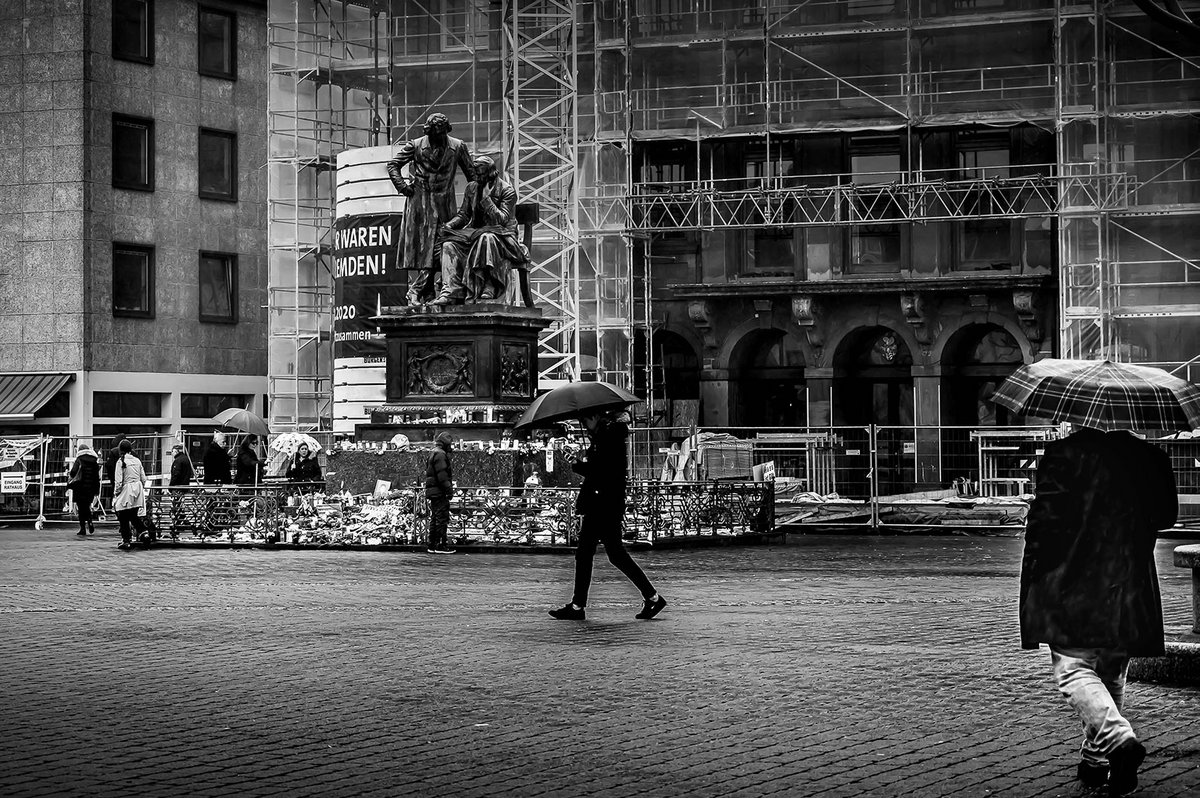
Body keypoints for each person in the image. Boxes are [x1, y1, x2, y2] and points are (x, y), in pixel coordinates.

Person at [1021, 425, 1178, 796]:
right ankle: (1097, 763)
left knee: (1072, 670)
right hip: (1128, 579)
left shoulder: (1064, 455)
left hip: (1073, 578)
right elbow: (1165, 517)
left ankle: (1121, 742)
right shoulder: (1150, 457)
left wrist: (1037, 570)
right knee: (1109, 671)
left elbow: (1046, 524)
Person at [549, 411, 666, 621]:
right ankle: (652, 597)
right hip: (605, 503)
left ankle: (578, 606)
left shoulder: (607, 440)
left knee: (589, 554)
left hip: (602, 504)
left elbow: (602, 473)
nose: (584, 425)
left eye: (585, 419)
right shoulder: (607, 439)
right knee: (611, 554)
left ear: (597, 417)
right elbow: (602, 470)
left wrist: (577, 464)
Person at [386, 112, 476, 305]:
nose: (439, 138)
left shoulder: (458, 146)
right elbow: (393, 165)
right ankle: (425, 293)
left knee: (441, 248)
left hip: (445, 205)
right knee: (422, 251)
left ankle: (419, 291)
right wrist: (403, 186)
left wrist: (473, 203)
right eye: (435, 135)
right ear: (429, 132)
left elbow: (472, 176)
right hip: (420, 205)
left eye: (442, 134)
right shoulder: (416, 145)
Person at [436, 154, 529, 305]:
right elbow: (464, 214)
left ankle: (490, 285)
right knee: (449, 245)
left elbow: (501, 220)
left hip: (503, 238)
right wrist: (450, 225)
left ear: (490, 173)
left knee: (487, 237)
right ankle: (451, 290)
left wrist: (487, 200)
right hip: (475, 235)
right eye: (475, 174)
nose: (476, 177)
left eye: (480, 174)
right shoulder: (471, 188)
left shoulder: (507, 191)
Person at [112, 439, 149, 550]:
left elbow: (118, 481)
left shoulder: (120, 462)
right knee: (133, 515)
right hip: (138, 489)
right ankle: (144, 533)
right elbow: (143, 478)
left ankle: (126, 540)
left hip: (126, 489)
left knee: (123, 515)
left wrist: (116, 493)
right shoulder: (137, 460)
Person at [425, 431, 455, 553]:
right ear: (446, 444)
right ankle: (440, 546)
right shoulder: (441, 455)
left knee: (435, 517)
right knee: (441, 518)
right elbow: (442, 476)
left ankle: (432, 544)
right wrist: (449, 490)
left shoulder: (434, 452)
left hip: (433, 490)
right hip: (439, 491)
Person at [67, 442, 101, 537]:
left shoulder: (79, 460)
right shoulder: (94, 461)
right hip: (90, 488)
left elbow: (73, 472)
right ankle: (90, 521)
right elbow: (96, 477)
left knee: (81, 508)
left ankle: (82, 528)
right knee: (87, 506)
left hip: (79, 487)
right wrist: (96, 490)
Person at [103, 433, 126, 504]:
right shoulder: (133, 453)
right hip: (127, 480)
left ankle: (113, 506)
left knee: (115, 493)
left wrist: (111, 476)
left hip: (115, 478)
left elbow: (109, 465)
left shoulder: (113, 452)